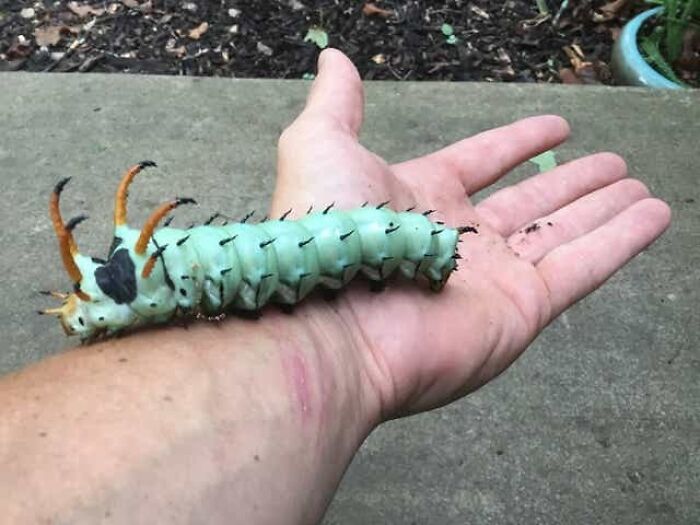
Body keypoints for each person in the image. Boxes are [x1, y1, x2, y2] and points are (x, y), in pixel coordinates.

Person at [0, 49, 670, 524]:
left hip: (251, 259)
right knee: (246, 256)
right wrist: (335, 351)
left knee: (277, 252)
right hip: (211, 266)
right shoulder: (184, 274)